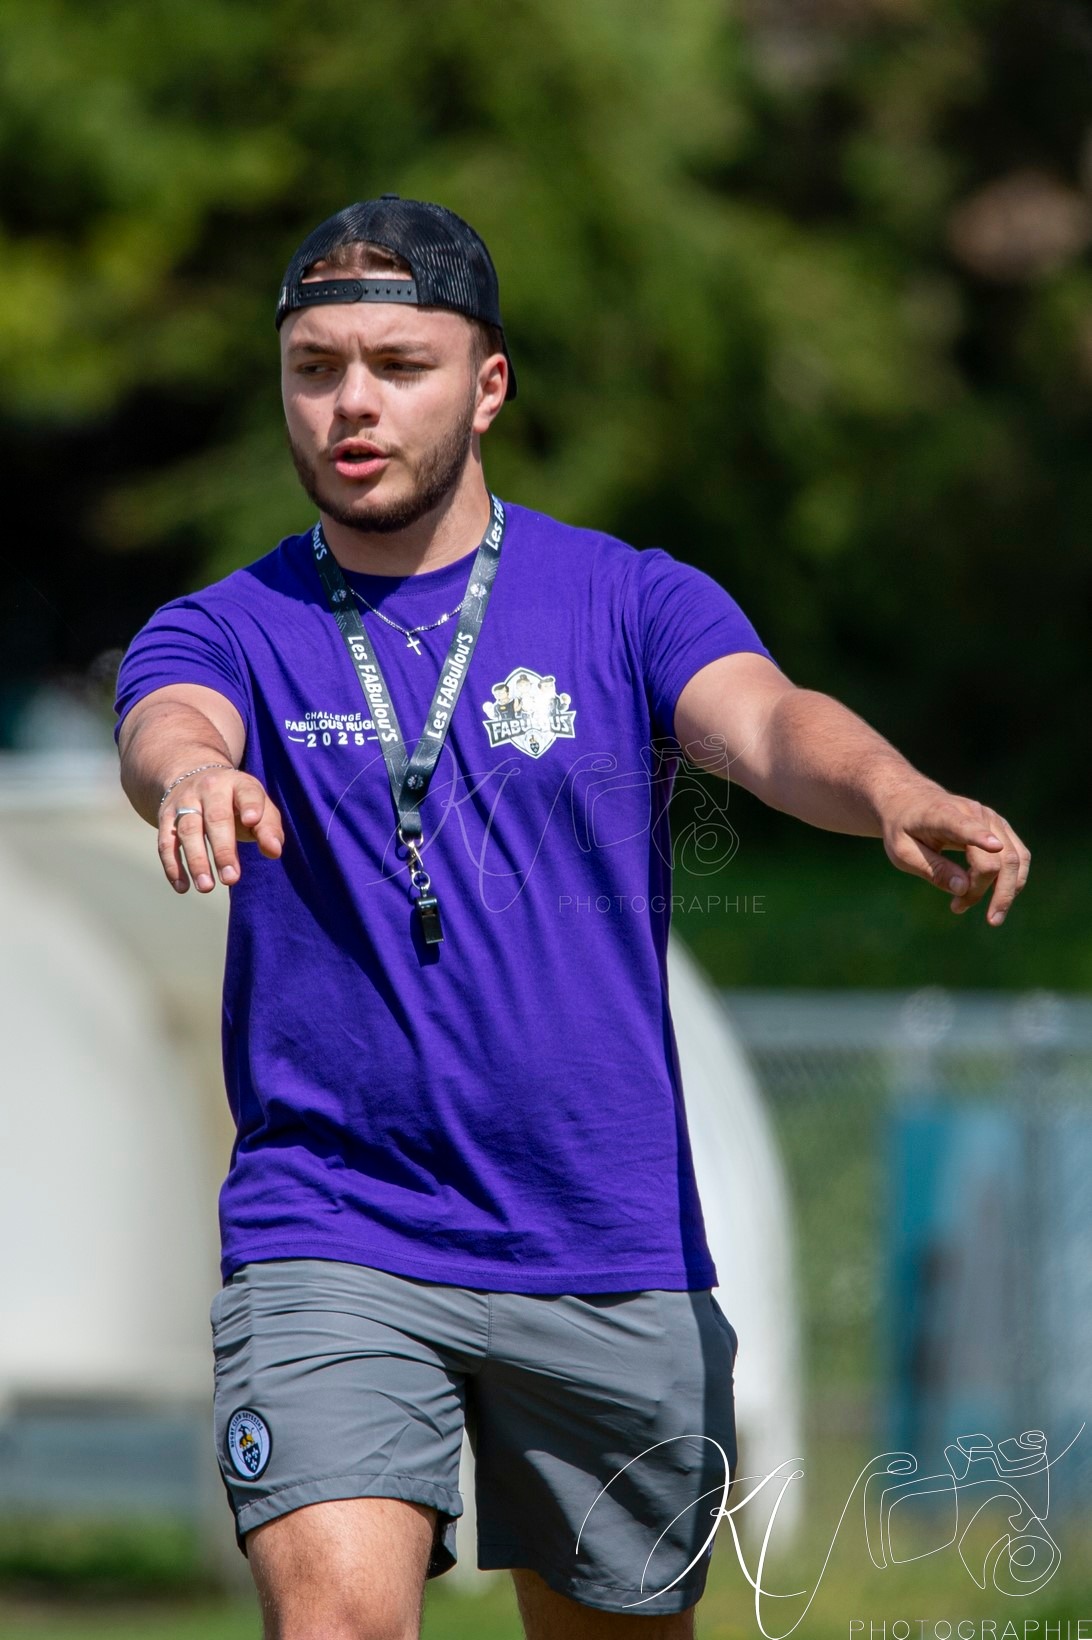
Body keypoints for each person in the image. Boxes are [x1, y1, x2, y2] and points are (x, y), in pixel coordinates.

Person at [114, 194, 1030, 1640]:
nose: (351, 402)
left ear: (487, 387)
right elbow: (167, 722)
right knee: (334, 1623)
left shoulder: (625, 599)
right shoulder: (229, 623)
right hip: (332, 1229)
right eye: (314, 367)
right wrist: (198, 773)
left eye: (397, 364)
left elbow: (774, 725)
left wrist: (891, 787)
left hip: (604, 1243)